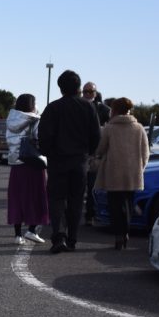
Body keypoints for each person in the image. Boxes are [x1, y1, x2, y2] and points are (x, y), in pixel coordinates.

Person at [38, 70, 102, 254]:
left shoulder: (53, 108)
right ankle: (72, 238)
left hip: (58, 160)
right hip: (79, 160)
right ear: (79, 88)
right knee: (75, 200)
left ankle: (59, 236)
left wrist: (47, 151)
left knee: (57, 199)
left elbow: (44, 135)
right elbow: (96, 135)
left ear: (60, 88)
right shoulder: (88, 107)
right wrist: (88, 152)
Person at [93, 97, 149, 249]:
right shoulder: (139, 128)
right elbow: (145, 153)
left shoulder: (110, 128)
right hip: (132, 174)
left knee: (115, 206)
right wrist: (140, 168)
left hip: (113, 172)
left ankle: (119, 235)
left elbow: (101, 148)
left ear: (115, 110)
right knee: (128, 204)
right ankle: (125, 232)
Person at [5, 94, 49, 244]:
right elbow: (39, 138)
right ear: (32, 104)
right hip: (32, 163)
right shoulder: (34, 119)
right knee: (36, 196)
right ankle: (31, 230)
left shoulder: (11, 119)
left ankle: (17, 235)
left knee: (17, 198)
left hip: (16, 163)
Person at [81, 81, 112, 224]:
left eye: (90, 92)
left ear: (95, 93)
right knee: (78, 186)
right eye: (85, 91)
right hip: (79, 152)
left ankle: (90, 214)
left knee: (93, 186)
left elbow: (109, 130)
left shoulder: (104, 109)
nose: (87, 94)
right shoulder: (77, 106)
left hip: (95, 154)